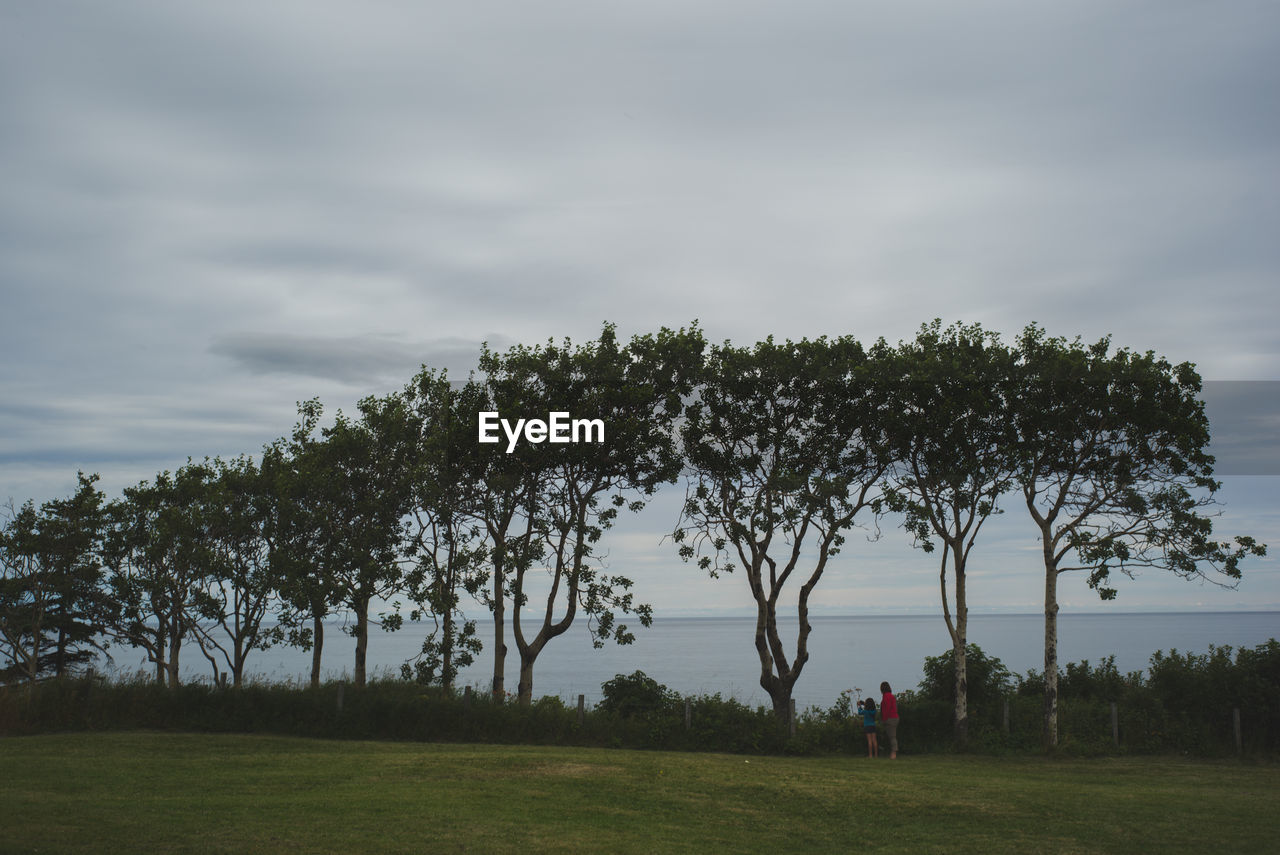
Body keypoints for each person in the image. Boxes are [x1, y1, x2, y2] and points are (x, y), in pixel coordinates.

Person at [880, 681, 899, 759]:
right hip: (894, 717)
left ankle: (893, 753)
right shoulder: (891, 696)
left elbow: (886, 709)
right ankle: (890, 751)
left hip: (890, 718)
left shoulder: (886, 696)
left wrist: (884, 719)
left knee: (892, 736)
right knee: (890, 736)